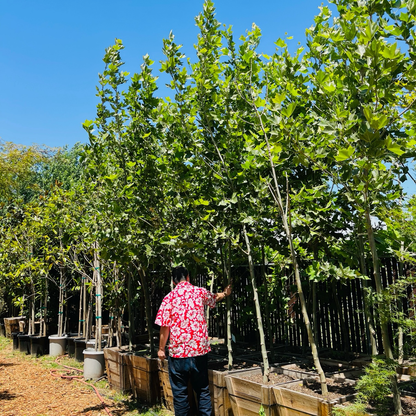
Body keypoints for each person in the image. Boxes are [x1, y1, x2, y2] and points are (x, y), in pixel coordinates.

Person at [155, 266, 232, 416]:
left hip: (178, 353)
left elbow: (164, 327)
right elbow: (214, 297)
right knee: (202, 390)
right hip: (199, 351)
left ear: (173, 281)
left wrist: (161, 349)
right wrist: (225, 293)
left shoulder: (168, 298)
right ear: (188, 277)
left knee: (180, 394)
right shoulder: (199, 292)